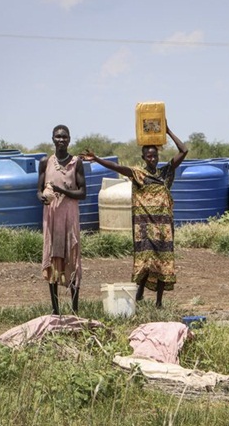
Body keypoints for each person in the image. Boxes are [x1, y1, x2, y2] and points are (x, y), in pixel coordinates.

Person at [83, 123, 188, 308]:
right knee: (145, 261)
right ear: (143, 158)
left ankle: (159, 302)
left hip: (163, 227)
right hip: (145, 226)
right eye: (149, 156)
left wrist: (168, 131)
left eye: (155, 156)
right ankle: (139, 293)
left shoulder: (165, 173)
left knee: (163, 261)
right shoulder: (138, 174)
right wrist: (97, 159)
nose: (152, 159)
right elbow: (116, 166)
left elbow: (184, 150)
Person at [37, 124, 86, 315]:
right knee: (53, 257)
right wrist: (41, 196)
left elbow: (82, 192)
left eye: (64, 137)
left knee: (72, 258)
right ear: (52, 139)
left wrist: (61, 190)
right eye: (58, 137)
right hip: (52, 215)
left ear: (69, 139)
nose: (61, 140)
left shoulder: (76, 162)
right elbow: (39, 189)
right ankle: (55, 309)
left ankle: (74, 309)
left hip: (70, 215)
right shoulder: (45, 162)